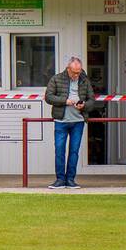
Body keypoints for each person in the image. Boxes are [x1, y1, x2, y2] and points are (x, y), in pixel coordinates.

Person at [44, 56, 94, 190]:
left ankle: (70, 180)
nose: (77, 74)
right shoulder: (56, 78)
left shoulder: (85, 80)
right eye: (74, 72)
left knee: (74, 152)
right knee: (59, 151)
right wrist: (65, 101)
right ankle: (60, 180)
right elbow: (48, 97)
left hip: (78, 121)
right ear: (68, 69)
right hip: (61, 121)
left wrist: (83, 105)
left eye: (79, 72)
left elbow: (92, 100)